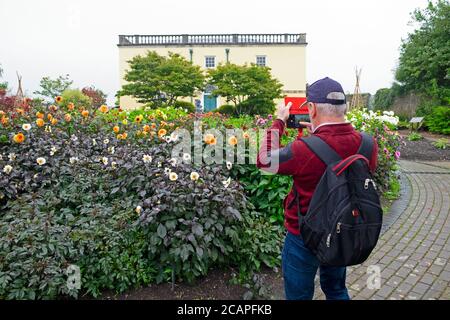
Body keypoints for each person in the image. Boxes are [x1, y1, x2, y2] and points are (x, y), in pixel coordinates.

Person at [257, 77, 378, 300]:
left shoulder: (303, 149)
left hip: (304, 237)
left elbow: (265, 161)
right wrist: (319, 136)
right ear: (346, 107)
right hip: (343, 230)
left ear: (311, 109)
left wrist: (279, 122)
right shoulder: (367, 143)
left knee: (299, 295)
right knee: (336, 290)